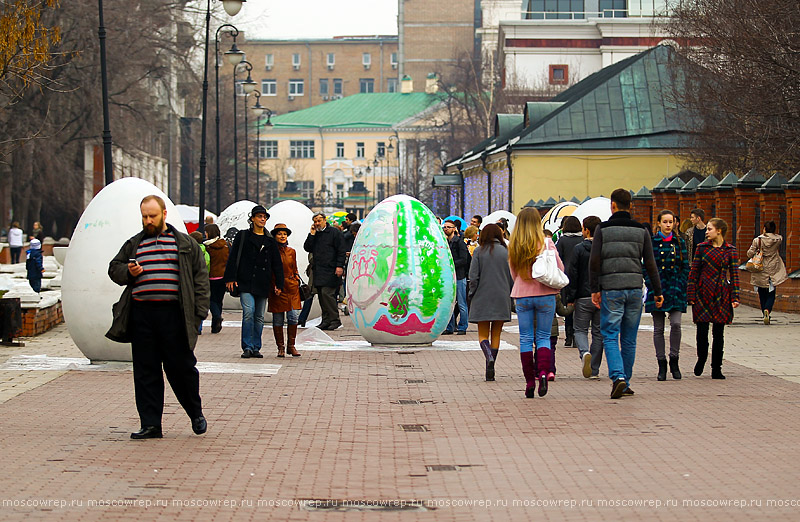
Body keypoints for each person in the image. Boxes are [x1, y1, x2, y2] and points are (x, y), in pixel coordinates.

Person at [106, 195, 210, 440]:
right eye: (144, 216)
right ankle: (151, 424)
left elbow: (200, 281)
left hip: (174, 315)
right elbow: (114, 268)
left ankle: (195, 413)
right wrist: (128, 272)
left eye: (152, 216)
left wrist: (198, 316)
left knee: (181, 368)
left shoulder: (184, 244)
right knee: (145, 372)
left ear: (164, 214)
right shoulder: (134, 244)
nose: (148, 220)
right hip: (142, 316)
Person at [590, 188, 663, 399]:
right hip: (634, 289)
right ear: (630, 206)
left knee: (610, 335)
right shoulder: (641, 230)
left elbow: (594, 262)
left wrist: (595, 289)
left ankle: (618, 377)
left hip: (611, 288)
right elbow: (650, 263)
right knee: (629, 339)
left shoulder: (602, 230)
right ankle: (626, 381)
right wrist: (658, 291)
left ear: (612, 206)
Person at [508, 207, 562, 398]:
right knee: (544, 336)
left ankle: (529, 381)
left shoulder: (514, 245)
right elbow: (559, 268)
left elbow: (513, 272)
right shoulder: (547, 243)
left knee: (525, 338)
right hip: (546, 294)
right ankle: (543, 373)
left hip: (522, 294)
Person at [224, 205, 284, 358]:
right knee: (249, 312)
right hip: (246, 281)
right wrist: (230, 277)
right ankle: (247, 347)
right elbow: (233, 257)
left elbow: (276, 263)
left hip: (263, 282)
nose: (262, 219)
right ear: (252, 219)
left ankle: (256, 346)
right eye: (259, 216)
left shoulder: (270, 240)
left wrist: (279, 283)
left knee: (259, 316)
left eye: (264, 217)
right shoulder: (243, 236)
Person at [687, 218, 740, 379]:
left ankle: (716, 367)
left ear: (719, 231)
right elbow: (694, 272)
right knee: (702, 331)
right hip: (703, 292)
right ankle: (702, 357)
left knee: (719, 333)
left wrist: (735, 296)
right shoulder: (701, 248)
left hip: (721, 293)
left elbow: (735, 275)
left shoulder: (730, 250)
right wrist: (690, 293)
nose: (707, 232)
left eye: (710, 229)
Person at [645, 210, 689, 381]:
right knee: (658, 328)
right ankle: (661, 363)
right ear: (658, 223)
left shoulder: (680, 242)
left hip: (675, 288)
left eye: (671, 222)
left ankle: (674, 360)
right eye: (665, 222)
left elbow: (686, 265)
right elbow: (646, 266)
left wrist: (681, 283)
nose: (668, 225)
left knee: (676, 324)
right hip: (658, 287)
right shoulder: (652, 241)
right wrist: (652, 285)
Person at [467, 223, 513, 381]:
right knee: (496, 333)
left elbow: (473, 277)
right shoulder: (506, 251)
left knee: (482, 334)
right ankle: (491, 363)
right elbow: (511, 276)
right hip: (502, 296)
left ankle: (488, 358)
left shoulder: (479, 251)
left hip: (482, 296)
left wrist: (471, 294)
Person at [565, 216, 603, 379]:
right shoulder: (603, 248)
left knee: (580, 329)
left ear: (586, 230)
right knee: (598, 332)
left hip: (582, 296)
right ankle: (594, 369)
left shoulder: (579, 249)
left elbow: (573, 273)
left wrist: (570, 296)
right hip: (601, 296)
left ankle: (584, 352)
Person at [304, 212, 346, 330]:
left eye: (319, 221)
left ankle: (335, 319)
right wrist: (311, 234)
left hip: (331, 269)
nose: (317, 223)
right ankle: (326, 320)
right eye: (315, 221)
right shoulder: (316, 234)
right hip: (319, 270)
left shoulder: (334, 232)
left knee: (328, 294)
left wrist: (339, 266)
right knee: (322, 296)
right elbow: (307, 247)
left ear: (324, 220)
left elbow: (341, 250)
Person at [269, 223, 302, 357]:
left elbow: (294, 268)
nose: (282, 236)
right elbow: (270, 271)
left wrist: (296, 279)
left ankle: (291, 346)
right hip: (277, 287)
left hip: (292, 287)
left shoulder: (291, 251)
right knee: (278, 319)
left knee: (293, 317)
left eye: (284, 234)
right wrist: (274, 286)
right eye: (279, 234)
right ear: (275, 236)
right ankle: (280, 347)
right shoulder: (271, 251)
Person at [747, 221, 787, 325]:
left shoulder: (758, 240)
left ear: (764, 228)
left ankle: (764, 311)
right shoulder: (778, 239)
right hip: (773, 266)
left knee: (761, 291)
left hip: (760, 266)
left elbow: (749, 253)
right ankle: (768, 310)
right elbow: (777, 236)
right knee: (771, 291)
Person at [556, 215, 583, 347]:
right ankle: (578, 336)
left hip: (566, 277)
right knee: (579, 306)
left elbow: (558, 258)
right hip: (581, 276)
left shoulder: (562, 241)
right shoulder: (582, 239)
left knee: (568, 306)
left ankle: (568, 336)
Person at [442, 219, 471, 335]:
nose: (446, 229)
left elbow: (464, 260)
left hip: (459, 276)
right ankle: (450, 327)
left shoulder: (459, 243)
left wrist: (451, 263)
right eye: (444, 227)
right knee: (450, 302)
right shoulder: (445, 243)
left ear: (454, 229)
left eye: (448, 227)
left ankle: (463, 327)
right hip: (450, 277)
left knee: (461, 303)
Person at [203, 224, 229, 333]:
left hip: (211, 277)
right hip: (223, 277)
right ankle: (215, 327)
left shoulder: (207, 247)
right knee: (219, 300)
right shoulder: (225, 246)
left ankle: (217, 316)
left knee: (211, 300)